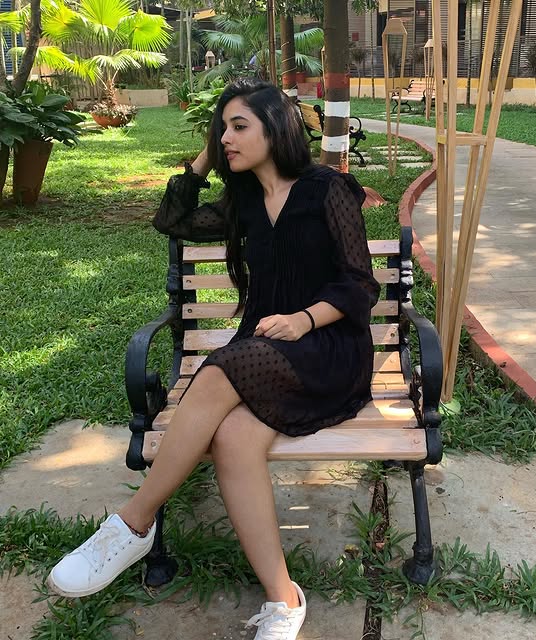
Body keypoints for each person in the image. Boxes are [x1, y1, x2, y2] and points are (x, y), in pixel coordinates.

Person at [46, 78, 380, 640]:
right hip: (266, 352)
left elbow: (360, 285)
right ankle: (284, 599)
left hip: (327, 349)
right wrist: (204, 158)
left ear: (276, 128)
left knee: (223, 366)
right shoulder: (243, 201)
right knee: (232, 437)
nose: (226, 137)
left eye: (239, 126)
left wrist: (303, 319)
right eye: (221, 129)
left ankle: (133, 525)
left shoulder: (327, 189)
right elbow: (172, 220)